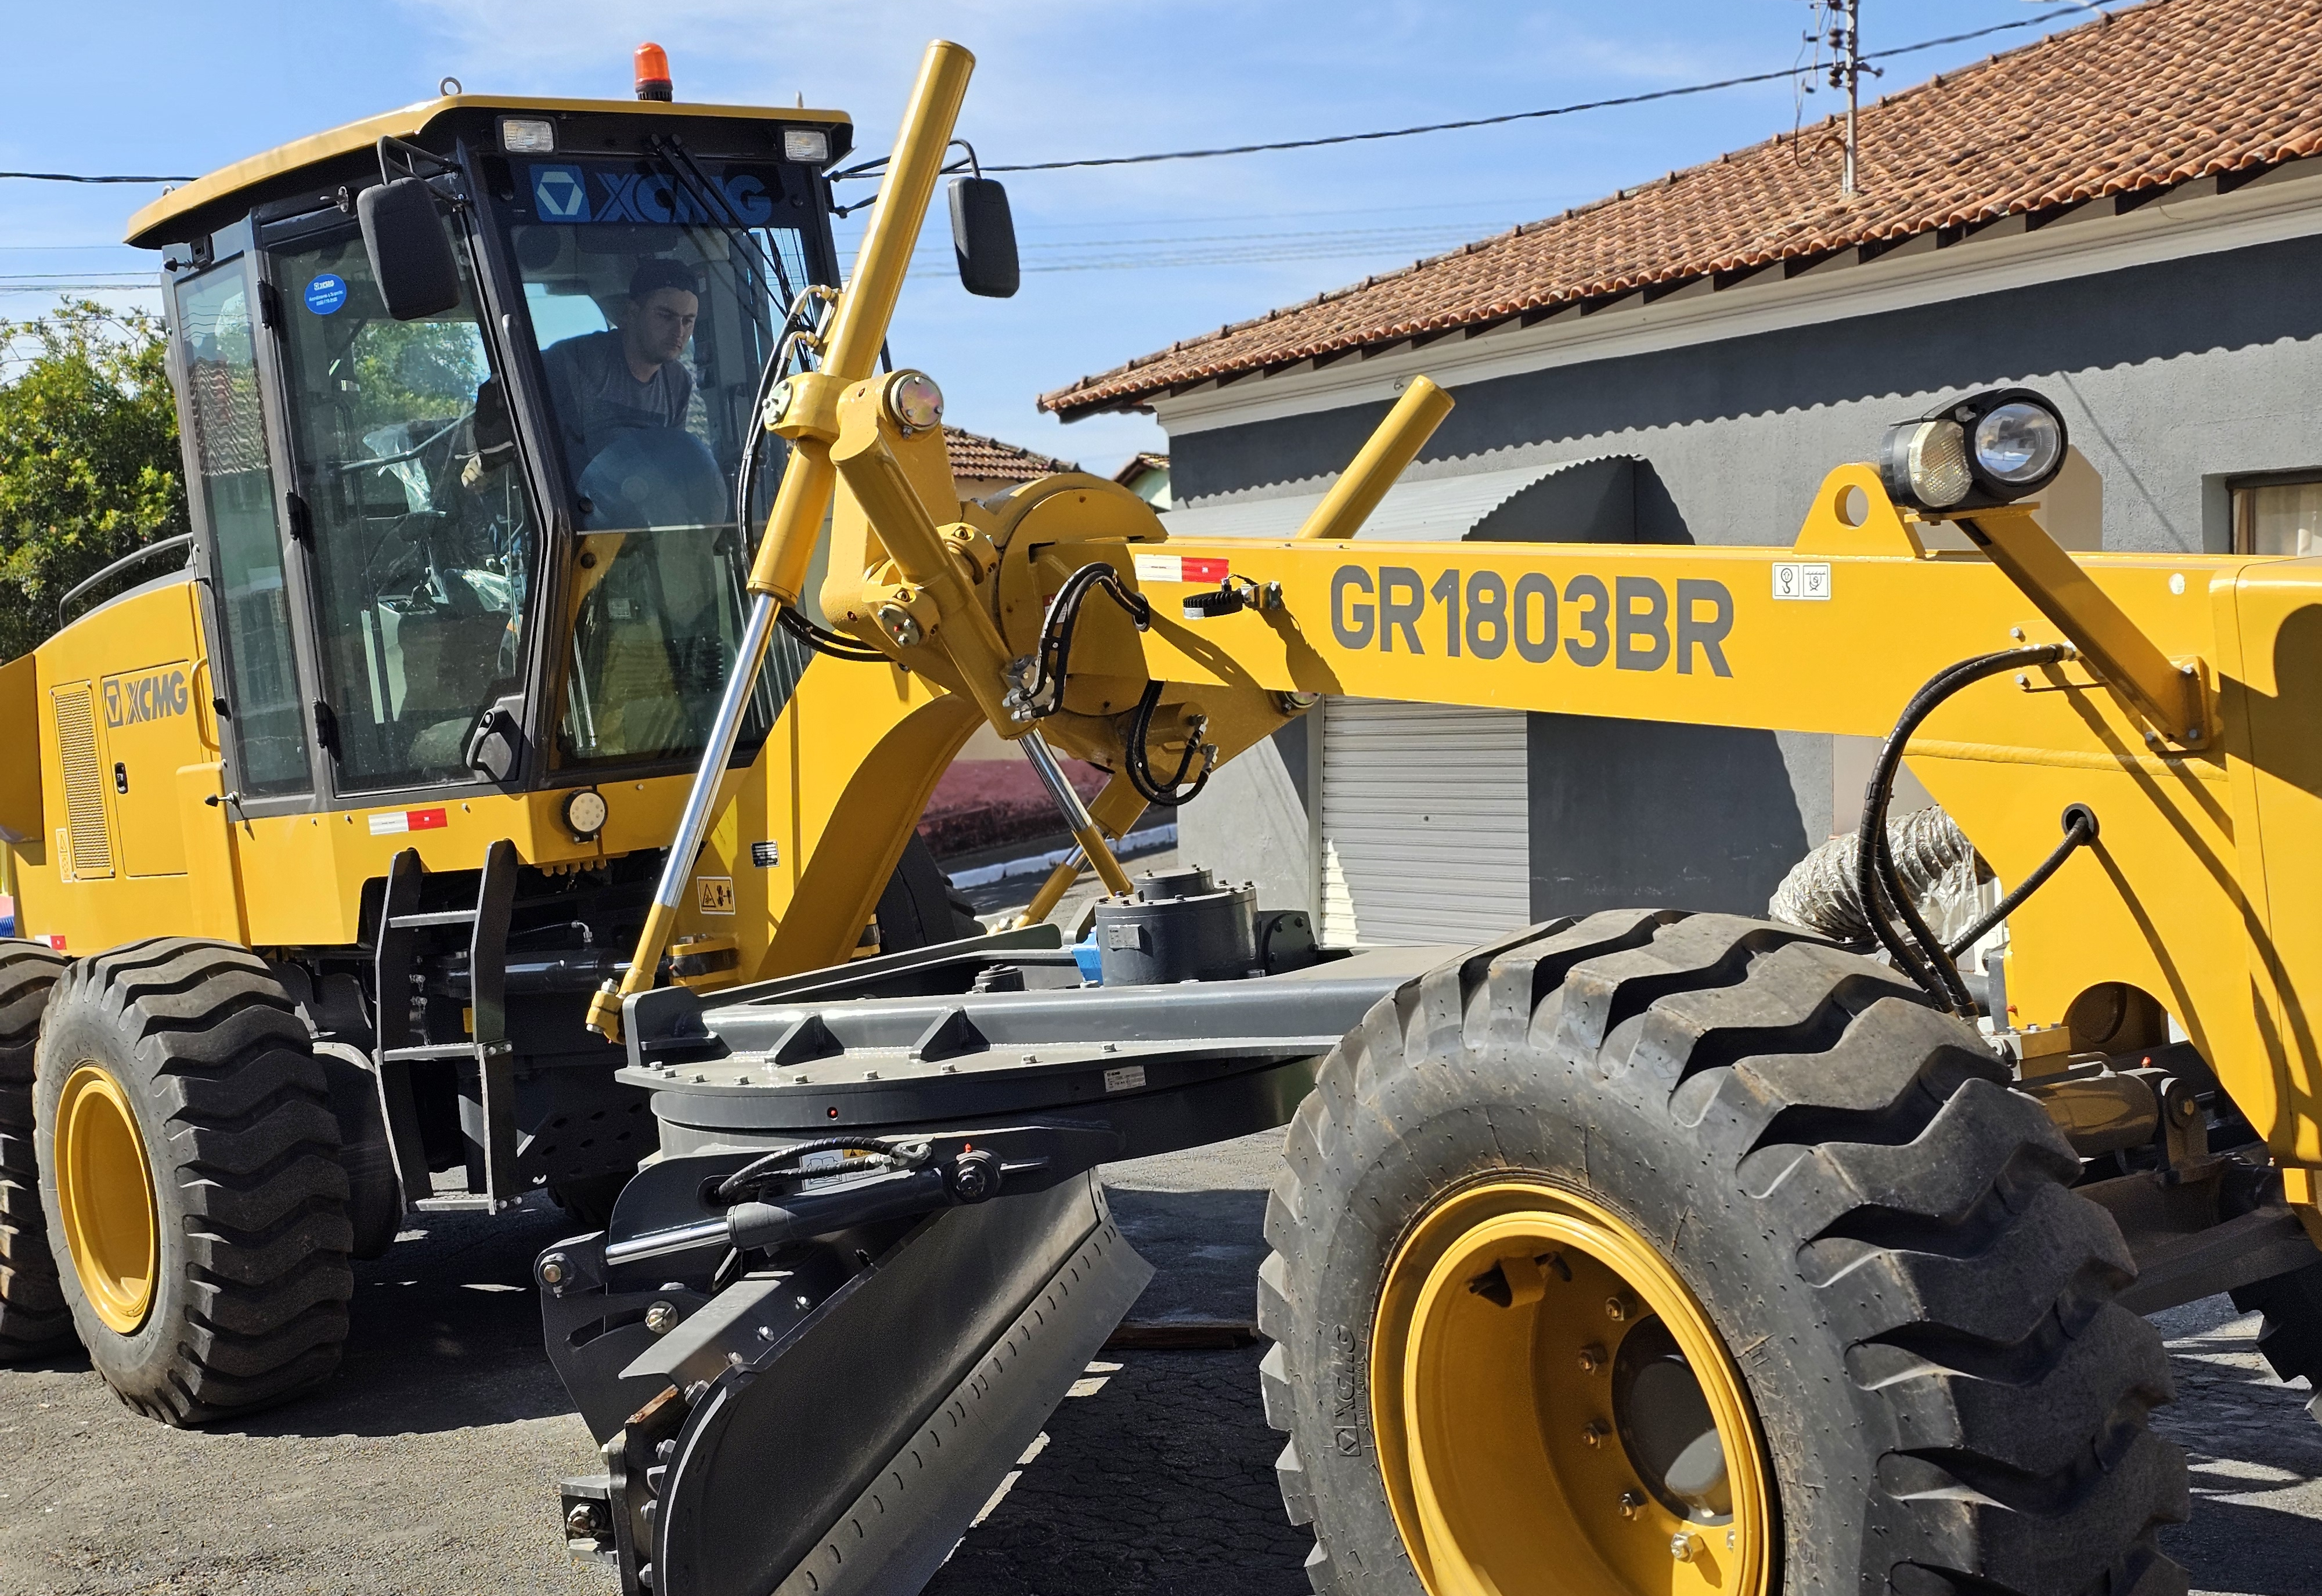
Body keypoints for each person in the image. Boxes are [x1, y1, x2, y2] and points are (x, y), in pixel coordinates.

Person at [538, 258, 701, 483]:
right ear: (633, 313)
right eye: (665, 316)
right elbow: (506, 391)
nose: (679, 331)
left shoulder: (678, 382)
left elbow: (670, 460)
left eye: (688, 321)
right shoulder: (575, 362)